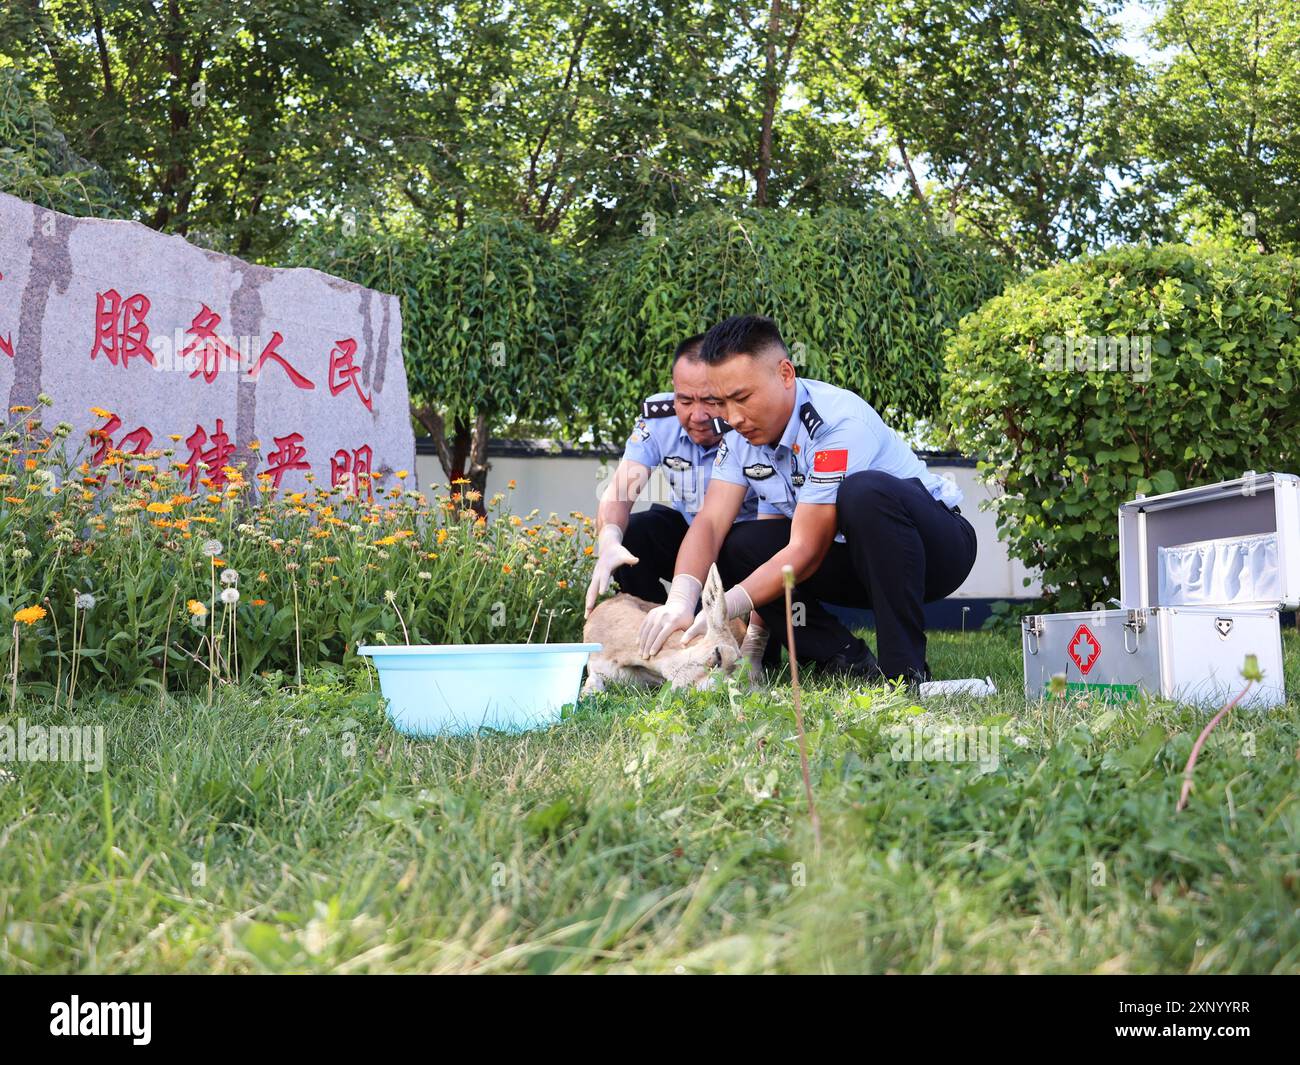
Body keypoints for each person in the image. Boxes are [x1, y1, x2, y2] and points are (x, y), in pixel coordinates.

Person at [637, 314, 977, 686]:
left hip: (935, 553)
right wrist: (681, 599)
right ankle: (844, 659)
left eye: (742, 398)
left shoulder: (836, 423)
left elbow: (806, 549)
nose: (732, 417)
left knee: (864, 492)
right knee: (740, 544)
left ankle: (905, 675)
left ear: (785, 374)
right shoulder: (738, 433)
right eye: (722, 402)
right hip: (857, 562)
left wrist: (725, 605)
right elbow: (711, 522)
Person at [585, 334, 769, 676]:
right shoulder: (658, 419)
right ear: (674, 390)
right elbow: (620, 490)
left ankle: (757, 640)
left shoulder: (750, 423)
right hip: (692, 540)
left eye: (710, 401)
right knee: (635, 533)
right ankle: (661, 638)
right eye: (685, 400)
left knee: (753, 548)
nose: (697, 415)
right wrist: (609, 539)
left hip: (745, 548)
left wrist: (754, 642)